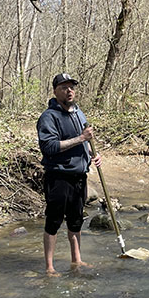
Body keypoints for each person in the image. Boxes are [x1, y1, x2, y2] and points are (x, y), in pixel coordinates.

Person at [37, 73, 102, 276]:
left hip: (79, 176)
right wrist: (81, 137)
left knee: (76, 221)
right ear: (55, 91)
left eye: (71, 86)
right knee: (54, 221)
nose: (69, 90)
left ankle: (77, 260)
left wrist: (94, 154)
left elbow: (85, 141)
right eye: (64, 87)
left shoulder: (78, 113)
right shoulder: (49, 117)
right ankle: (49, 267)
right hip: (59, 176)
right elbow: (50, 147)